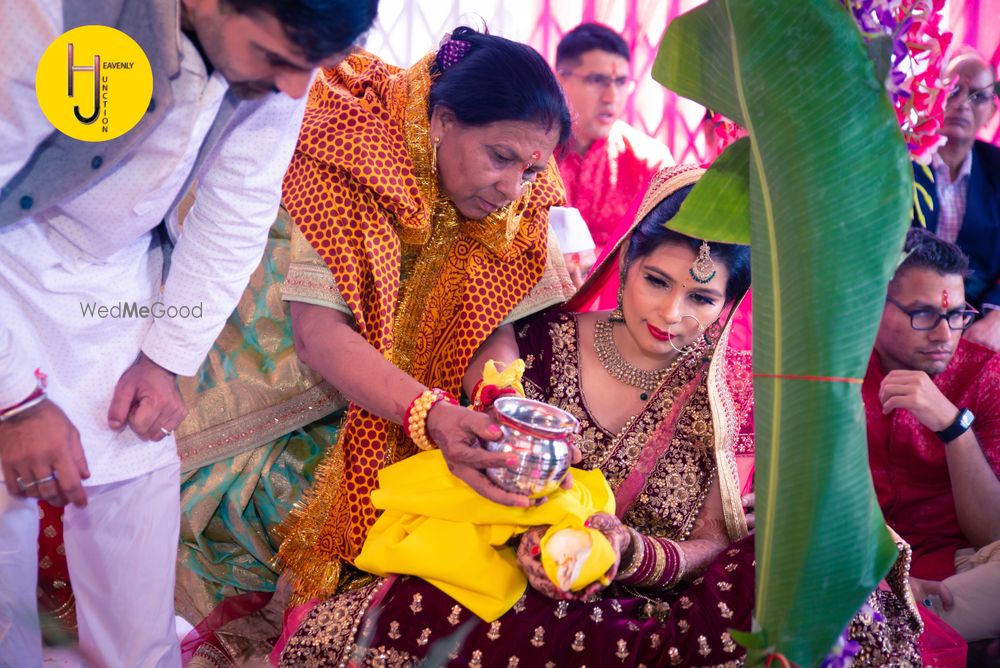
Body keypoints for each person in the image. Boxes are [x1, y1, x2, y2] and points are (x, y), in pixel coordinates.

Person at [275, 165, 922, 667]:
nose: (671, 316)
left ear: (730, 303)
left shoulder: (732, 397)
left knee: (818, 578)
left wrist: (629, 551)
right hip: (509, 584)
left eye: (701, 296)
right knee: (452, 611)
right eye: (657, 282)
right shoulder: (533, 344)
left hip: (646, 604)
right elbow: (468, 464)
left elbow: (717, 544)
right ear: (627, 263)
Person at [169, 27, 576, 662]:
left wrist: (499, 397)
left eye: (529, 169)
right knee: (287, 518)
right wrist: (433, 416)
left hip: (393, 403)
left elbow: (491, 315)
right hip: (277, 397)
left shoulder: (515, 197)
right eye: (500, 158)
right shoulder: (354, 146)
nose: (511, 188)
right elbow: (317, 336)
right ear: (441, 121)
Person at [0, 0, 378, 665]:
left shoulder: (278, 69)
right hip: (7, 262)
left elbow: (238, 209)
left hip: (114, 282)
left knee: (136, 559)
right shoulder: (52, 15)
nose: (295, 89)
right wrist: (15, 401)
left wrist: (166, 357)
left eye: (310, 70)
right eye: (276, 59)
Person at [864, 227, 1000, 643]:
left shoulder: (987, 375)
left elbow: (991, 534)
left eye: (958, 315)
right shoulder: (831, 370)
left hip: (952, 575)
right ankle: (890, 625)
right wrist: (882, 586)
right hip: (850, 572)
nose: (945, 335)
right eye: (923, 315)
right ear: (872, 305)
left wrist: (954, 427)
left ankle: (886, 632)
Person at [555, 22, 673, 260]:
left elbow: (664, 252)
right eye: (597, 80)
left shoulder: (650, 163)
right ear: (561, 80)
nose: (611, 97)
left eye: (620, 82)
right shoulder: (531, 151)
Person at [913, 47, 1000, 352]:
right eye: (953, 90)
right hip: (901, 315)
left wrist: (996, 316)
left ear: (991, 112)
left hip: (977, 322)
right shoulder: (898, 163)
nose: (962, 103)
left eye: (978, 95)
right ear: (932, 98)